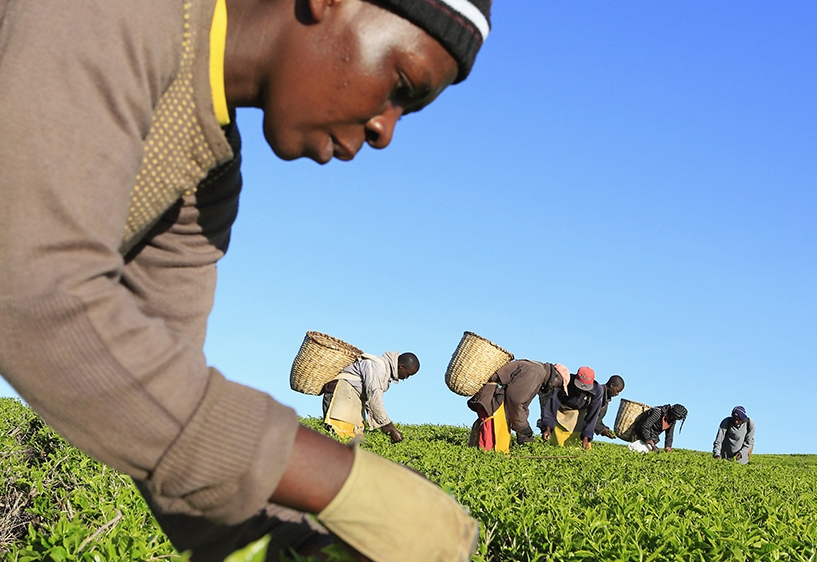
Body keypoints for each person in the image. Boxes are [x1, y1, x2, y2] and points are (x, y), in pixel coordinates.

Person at [0, 0, 491, 560]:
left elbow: (154, 396)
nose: (385, 129)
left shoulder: (204, 180)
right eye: (401, 84)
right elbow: (32, 294)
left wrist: (295, 542)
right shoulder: (105, 14)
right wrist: (344, 483)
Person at [467, 361, 569, 452]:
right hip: (493, 399)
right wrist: (524, 429)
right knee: (490, 446)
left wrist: (523, 431)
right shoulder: (536, 372)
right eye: (559, 385)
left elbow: (522, 404)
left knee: (494, 443)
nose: (555, 388)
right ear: (555, 376)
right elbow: (516, 401)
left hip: (494, 399)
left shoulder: (538, 372)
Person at [321, 351, 418, 442]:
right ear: (401, 366)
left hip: (353, 397)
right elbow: (374, 399)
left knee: (354, 436)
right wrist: (389, 426)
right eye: (408, 374)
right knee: (339, 434)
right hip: (342, 392)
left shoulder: (386, 375)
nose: (406, 378)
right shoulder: (378, 368)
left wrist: (383, 425)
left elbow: (371, 401)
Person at [540, 367, 604, 450]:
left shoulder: (597, 390)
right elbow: (552, 406)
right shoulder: (565, 381)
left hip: (580, 415)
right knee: (557, 444)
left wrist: (586, 437)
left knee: (578, 448)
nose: (581, 391)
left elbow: (592, 415)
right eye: (579, 387)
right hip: (561, 412)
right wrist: (548, 428)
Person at [593, 375, 626, 439]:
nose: (617, 394)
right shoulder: (597, 394)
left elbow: (597, 419)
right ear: (612, 385)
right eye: (617, 391)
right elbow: (589, 416)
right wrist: (602, 429)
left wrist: (604, 428)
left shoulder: (606, 399)